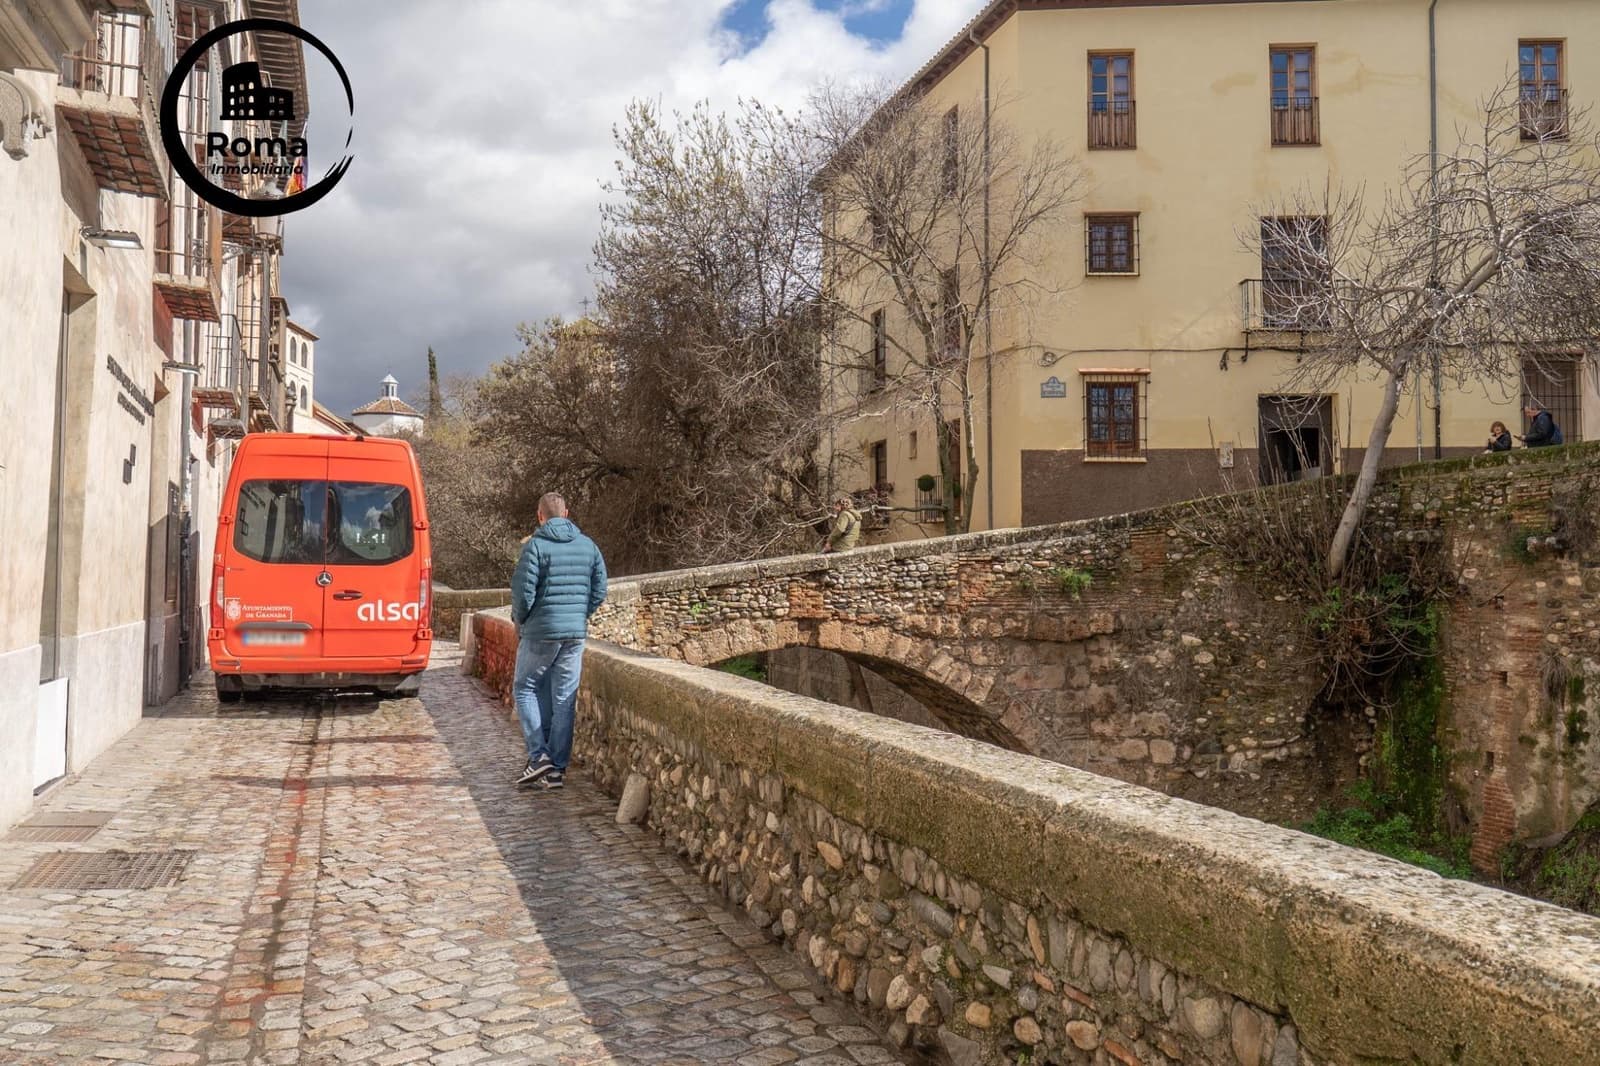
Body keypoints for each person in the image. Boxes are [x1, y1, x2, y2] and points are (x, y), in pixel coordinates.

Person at [510, 492, 608, 791]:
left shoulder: (535, 547)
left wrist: (520, 620)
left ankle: (539, 756)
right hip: (574, 634)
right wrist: (581, 614)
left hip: (541, 632)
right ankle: (557, 771)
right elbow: (599, 588)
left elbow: (523, 594)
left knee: (524, 688)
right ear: (566, 513)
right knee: (564, 698)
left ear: (540, 516)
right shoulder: (589, 546)